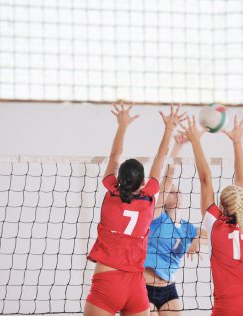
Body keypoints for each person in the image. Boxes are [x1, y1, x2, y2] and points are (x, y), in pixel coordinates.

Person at [84, 102, 186, 316]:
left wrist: (122, 125)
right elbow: (161, 158)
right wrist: (168, 129)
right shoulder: (149, 197)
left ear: (118, 180)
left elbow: (114, 157)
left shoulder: (111, 193)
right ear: (143, 183)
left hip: (107, 281)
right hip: (136, 286)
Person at [180, 115, 243, 316]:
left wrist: (195, 140)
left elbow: (205, 179)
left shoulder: (214, 224)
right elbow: (240, 178)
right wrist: (237, 141)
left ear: (220, 206)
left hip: (230, 304)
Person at [144, 135, 207, 315]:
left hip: (169, 290)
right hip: (144, 287)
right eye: (172, 192)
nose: (177, 193)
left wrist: (196, 239)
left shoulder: (188, 228)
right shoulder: (156, 216)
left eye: (179, 191)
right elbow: (168, 178)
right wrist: (177, 148)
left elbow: (214, 234)